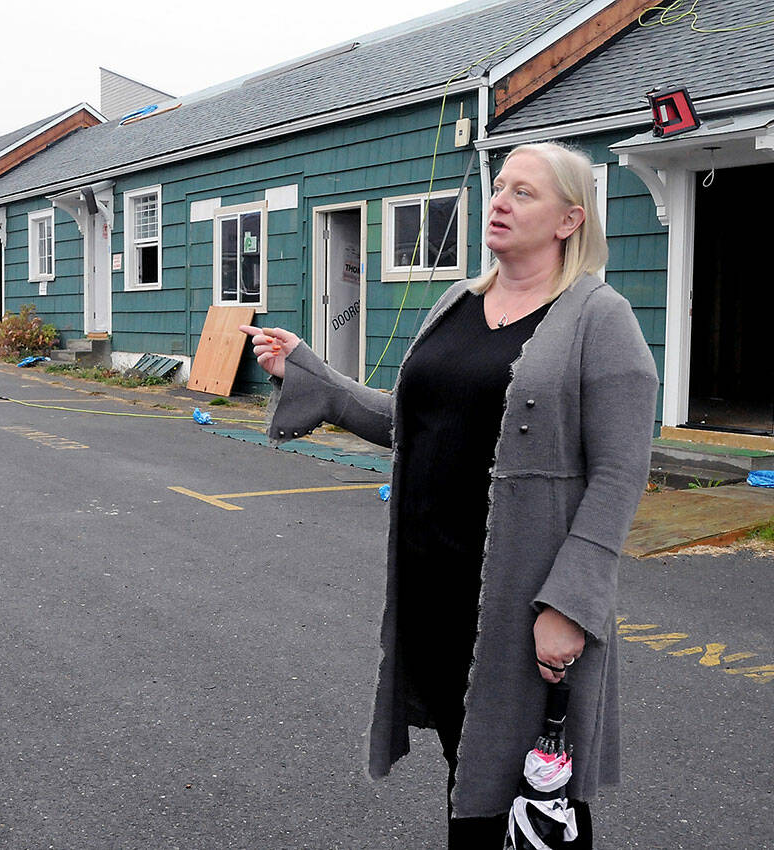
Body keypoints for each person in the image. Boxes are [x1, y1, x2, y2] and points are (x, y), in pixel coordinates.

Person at [241, 142, 658, 848]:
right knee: (469, 775)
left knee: (533, 796)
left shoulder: (599, 317)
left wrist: (569, 606)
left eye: (524, 192)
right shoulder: (458, 302)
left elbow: (619, 475)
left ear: (569, 220)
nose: (500, 202)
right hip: (435, 591)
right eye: (500, 187)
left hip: (522, 602)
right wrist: (308, 370)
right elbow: (411, 422)